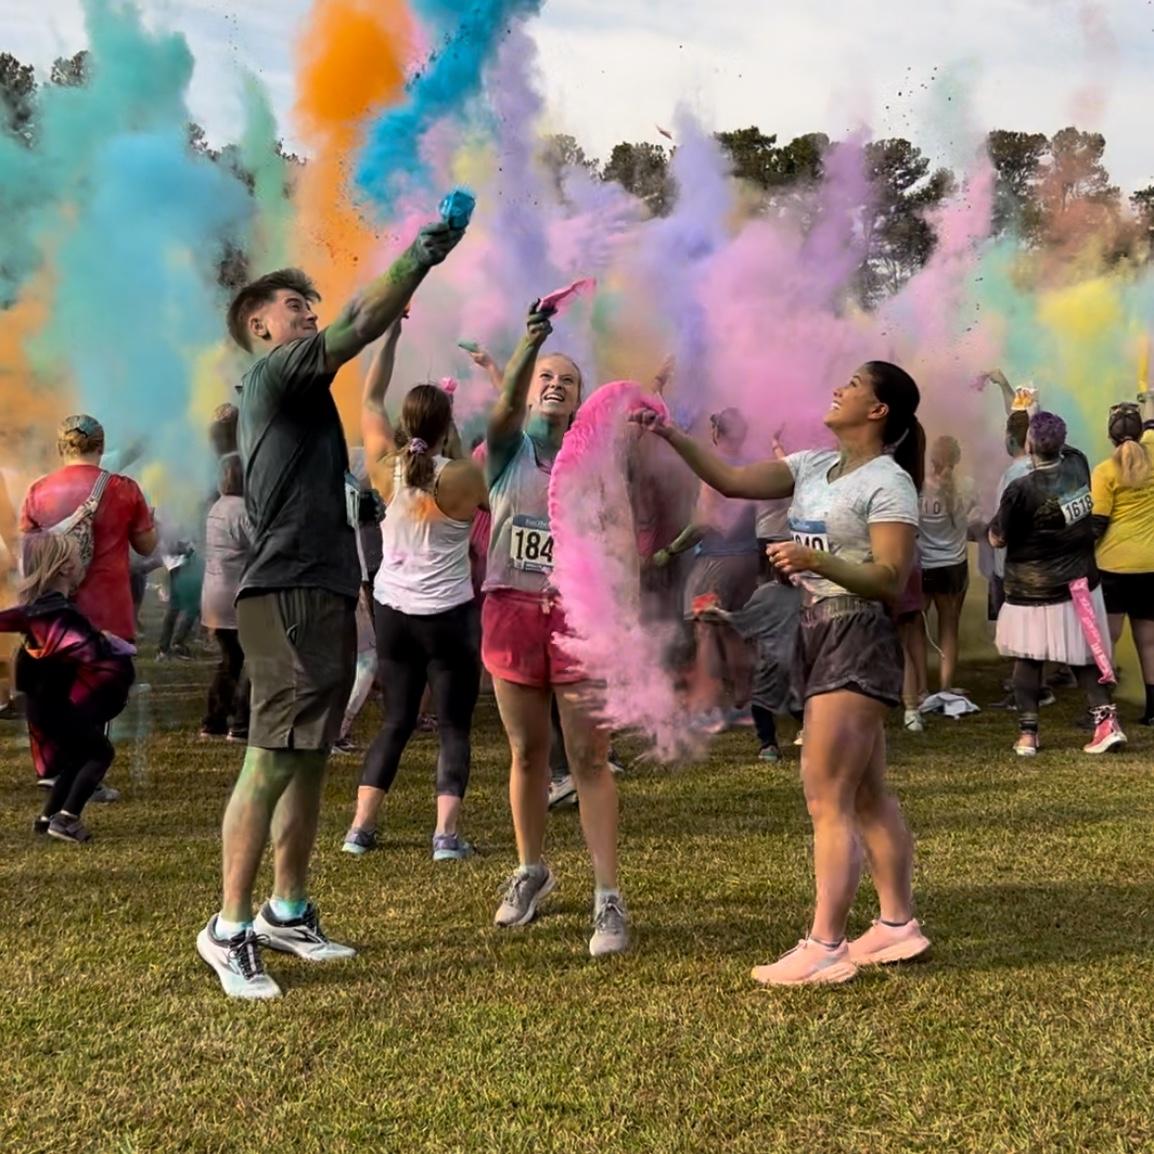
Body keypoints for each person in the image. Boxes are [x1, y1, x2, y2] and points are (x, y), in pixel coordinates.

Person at [195, 209, 466, 1000]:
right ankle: (229, 928)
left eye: (309, 305)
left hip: (323, 587)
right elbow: (356, 321)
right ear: (259, 324)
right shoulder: (277, 372)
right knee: (271, 755)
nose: (308, 314)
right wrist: (419, 257)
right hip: (283, 591)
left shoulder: (305, 396)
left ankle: (286, 910)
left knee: (310, 757)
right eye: (294, 306)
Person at [634, 360, 932, 986]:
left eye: (854, 384)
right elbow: (730, 479)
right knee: (866, 792)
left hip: (856, 633)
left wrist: (813, 559)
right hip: (818, 627)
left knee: (826, 795)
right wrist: (671, 434)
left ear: (878, 410)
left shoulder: (889, 483)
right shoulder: (813, 465)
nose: (838, 388)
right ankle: (898, 925)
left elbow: (889, 578)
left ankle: (825, 946)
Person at [484, 305, 630, 958]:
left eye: (567, 381)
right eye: (546, 377)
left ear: (578, 402)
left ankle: (608, 896)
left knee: (590, 757)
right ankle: (530, 871)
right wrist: (529, 342)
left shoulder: (596, 465)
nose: (554, 386)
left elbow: (618, 544)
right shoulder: (504, 449)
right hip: (510, 611)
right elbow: (503, 405)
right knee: (527, 754)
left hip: (579, 616)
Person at [341, 319, 487, 861]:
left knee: (396, 721)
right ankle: (446, 836)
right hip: (449, 616)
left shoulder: (385, 468)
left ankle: (361, 828)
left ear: (405, 424)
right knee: (453, 726)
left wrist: (390, 337)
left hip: (394, 612)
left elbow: (370, 396)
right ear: (449, 424)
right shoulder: (464, 476)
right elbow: (487, 495)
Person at [20, 414, 157, 800]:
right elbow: (146, 545)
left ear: (60, 448)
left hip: (52, 612)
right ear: (101, 446)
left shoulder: (37, 490)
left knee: (51, 689)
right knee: (96, 695)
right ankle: (84, 775)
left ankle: (52, 768)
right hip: (106, 611)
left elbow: (27, 551)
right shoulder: (123, 488)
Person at [988, 411, 1126, 756]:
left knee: (1028, 659)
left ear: (1029, 445)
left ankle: (1028, 736)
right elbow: (1065, 448)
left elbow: (998, 537)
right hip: (1077, 583)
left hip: (1032, 590)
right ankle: (1106, 724)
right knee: (1083, 656)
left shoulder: (1020, 489)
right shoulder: (1079, 465)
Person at [0, 534, 135, 843]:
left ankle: (47, 818)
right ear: (63, 568)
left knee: (76, 756)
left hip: (41, 704)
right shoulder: (60, 614)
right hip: (58, 705)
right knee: (100, 752)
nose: (82, 561)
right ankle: (67, 819)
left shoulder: (37, 609)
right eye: (77, 556)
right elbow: (90, 651)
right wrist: (113, 646)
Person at [653, 408, 759, 730]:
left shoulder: (714, 467)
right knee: (731, 630)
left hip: (715, 562)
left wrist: (671, 549)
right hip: (747, 559)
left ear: (716, 432)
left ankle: (706, 707)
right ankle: (744, 703)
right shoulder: (752, 466)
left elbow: (705, 521)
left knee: (706, 629)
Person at [1090, 394, 1154, 726]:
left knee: (1107, 640)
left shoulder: (1104, 471)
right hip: (1150, 566)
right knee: (1149, 641)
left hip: (1112, 567)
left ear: (1110, 436)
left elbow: (1098, 523)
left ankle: (1105, 711)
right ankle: (1153, 711)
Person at [917, 435, 979, 697]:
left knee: (917, 629)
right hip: (953, 566)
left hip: (923, 565)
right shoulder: (968, 486)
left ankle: (919, 689)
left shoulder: (917, 487)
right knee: (949, 629)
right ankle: (945, 687)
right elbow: (975, 521)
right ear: (957, 459)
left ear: (931, 459)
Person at [199, 454, 251, 741]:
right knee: (253, 660)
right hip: (237, 595)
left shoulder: (216, 507)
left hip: (213, 594)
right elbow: (261, 544)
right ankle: (242, 723)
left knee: (229, 660)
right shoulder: (243, 510)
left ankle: (214, 720)